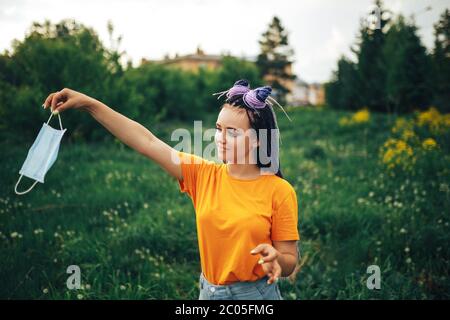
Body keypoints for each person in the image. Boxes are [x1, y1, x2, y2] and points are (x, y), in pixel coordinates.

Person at [43, 79, 300, 300]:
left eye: (232, 132)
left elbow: (290, 259)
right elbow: (147, 141)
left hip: (255, 295)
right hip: (208, 292)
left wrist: (277, 259)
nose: (220, 138)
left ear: (258, 140)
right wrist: (89, 103)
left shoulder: (279, 191)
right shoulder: (203, 175)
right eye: (219, 129)